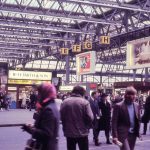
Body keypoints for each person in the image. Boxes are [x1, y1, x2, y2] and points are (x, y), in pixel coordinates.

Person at [22, 83, 60, 150]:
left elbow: (46, 134)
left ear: (45, 94)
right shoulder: (51, 106)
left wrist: (30, 129)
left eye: (39, 93)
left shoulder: (48, 110)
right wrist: (34, 126)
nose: (38, 96)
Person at [60, 86, 94, 150]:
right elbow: (91, 117)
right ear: (82, 93)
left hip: (69, 132)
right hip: (82, 132)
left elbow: (61, 117)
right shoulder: (84, 102)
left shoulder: (65, 102)